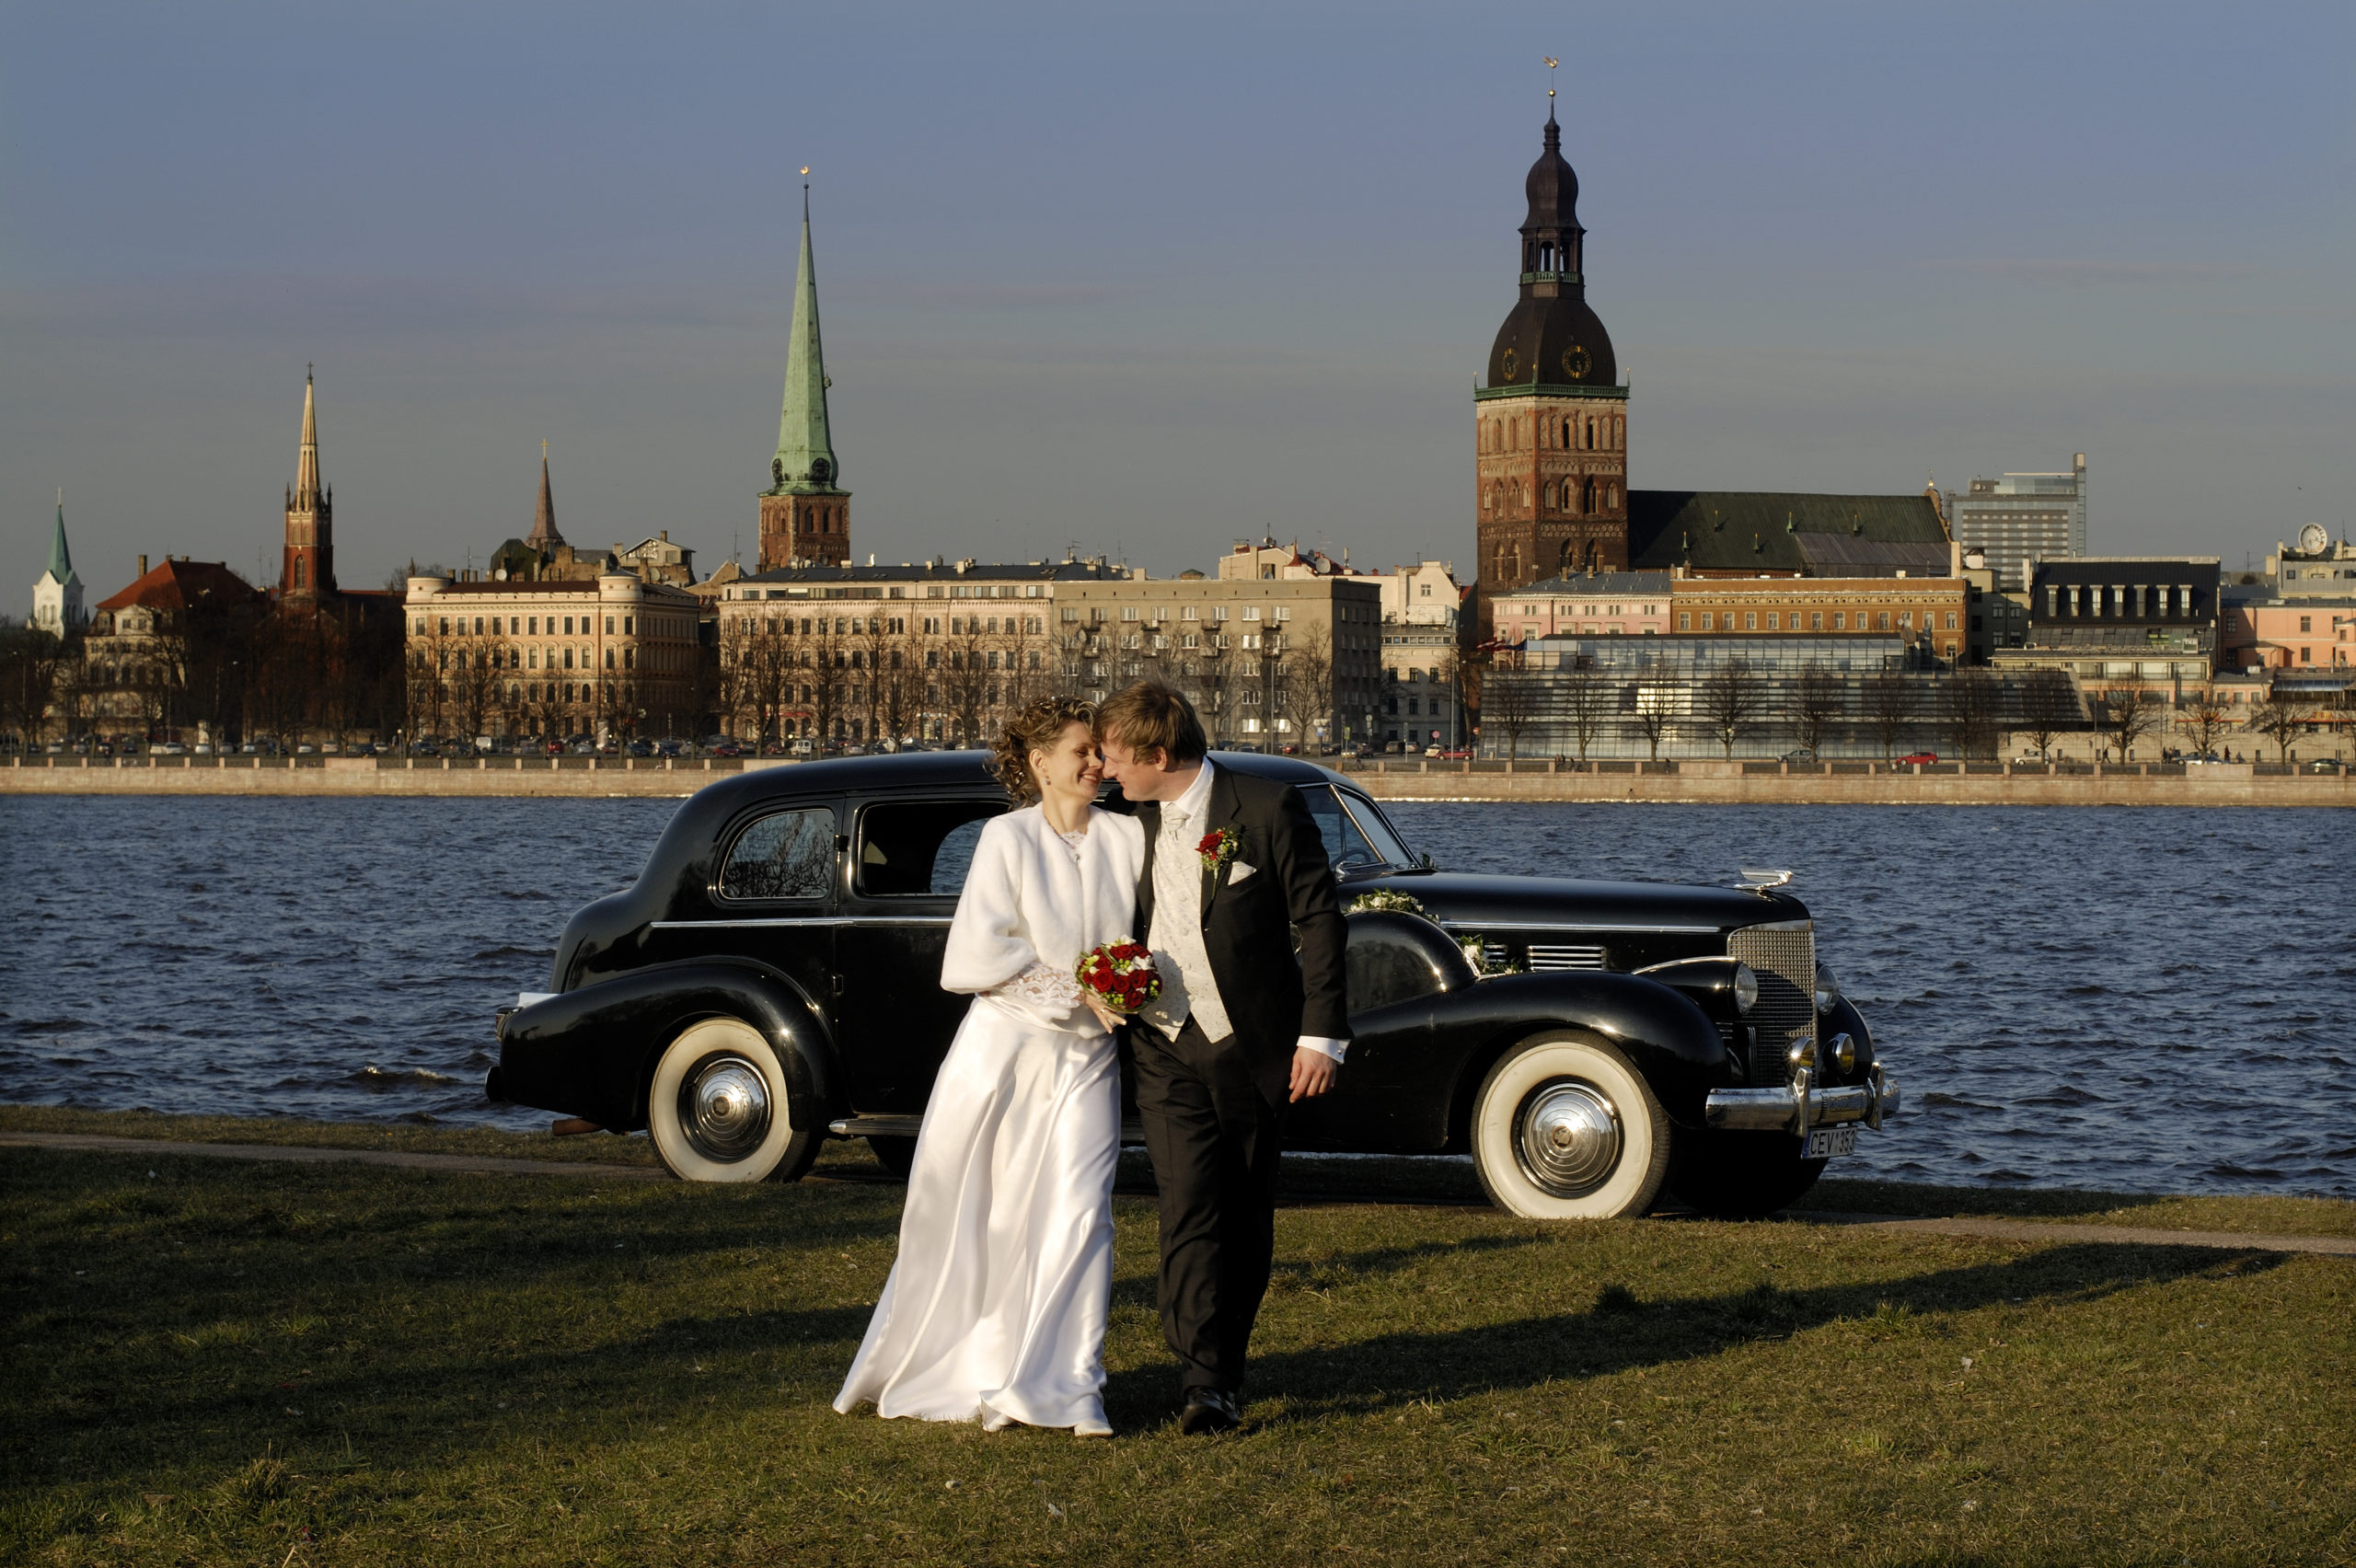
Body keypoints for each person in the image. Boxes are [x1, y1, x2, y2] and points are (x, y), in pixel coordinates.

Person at [832, 696, 1144, 1438]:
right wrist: (1083, 985)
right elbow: (974, 959)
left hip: (1087, 1059)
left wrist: (1132, 981)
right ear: (1039, 764)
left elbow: (1153, 930)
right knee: (988, 1214)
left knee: (1082, 1212)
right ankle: (981, 1367)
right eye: (1082, 752)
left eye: (1099, 753)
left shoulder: (1128, 840)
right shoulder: (1005, 839)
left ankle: (1070, 1384)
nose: (1097, 764)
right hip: (1003, 1054)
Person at [1096, 681, 1348, 1435]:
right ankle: (1201, 1381)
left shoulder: (1266, 808)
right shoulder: (1123, 821)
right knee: (1186, 1208)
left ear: (1159, 755)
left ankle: (1224, 1367)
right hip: (1161, 1045)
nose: (1108, 772)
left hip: (1253, 1045)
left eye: (1116, 759)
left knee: (1241, 1211)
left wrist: (1321, 1034)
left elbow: (1321, 919)